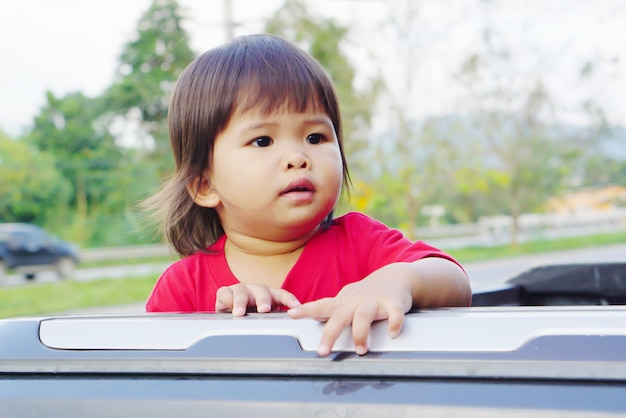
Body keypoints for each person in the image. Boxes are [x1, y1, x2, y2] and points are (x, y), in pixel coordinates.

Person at [144, 33, 471, 357]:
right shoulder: (185, 286)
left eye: (315, 137)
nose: (298, 157)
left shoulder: (360, 243)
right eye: (263, 141)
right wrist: (226, 329)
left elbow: (456, 282)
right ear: (205, 185)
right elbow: (152, 378)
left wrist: (399, 280)